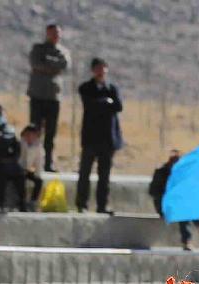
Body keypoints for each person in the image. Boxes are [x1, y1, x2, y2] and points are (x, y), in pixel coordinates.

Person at [76, 57, 123, 214]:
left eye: (103, 68)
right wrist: (106, 103)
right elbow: (91, 105)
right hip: (90, 137)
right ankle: (82, 204)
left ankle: (102, 205)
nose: (101, 72)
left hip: (108, 138)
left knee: (104, 175)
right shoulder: (86, 88)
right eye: (98, 68)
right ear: (93, 70)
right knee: (85, 173)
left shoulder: (112, 89)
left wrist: (106, 102)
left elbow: (118, 106)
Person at [26, 23, 70, 173]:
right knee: (35, 130)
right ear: (47, 33)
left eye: (57, 33)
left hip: (53, 97)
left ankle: (48, 162)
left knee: (51, 133)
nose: (55, 36)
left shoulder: (62, 52)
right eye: (53, 33)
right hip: (37, 95)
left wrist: (49, 62)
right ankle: (31, 161)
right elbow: (36, 64)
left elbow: (64, 66)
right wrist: (52, 66)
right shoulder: (38, 49)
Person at [149, 149, 199, 251]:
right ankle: (196, 227)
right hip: (163, 205)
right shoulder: (160, 173)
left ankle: (190, 237)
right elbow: (153, 192)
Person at [20, 124, 44, 210]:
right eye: (28, 134)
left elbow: (39, 162)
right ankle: (22, 203)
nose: (30, 137)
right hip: (19, 169)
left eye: (32, 135)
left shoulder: (38, 147)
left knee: (39, 181)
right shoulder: (20, 144)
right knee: (21, 179)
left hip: (29, 170)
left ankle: (33, 202)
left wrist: (37, 174)